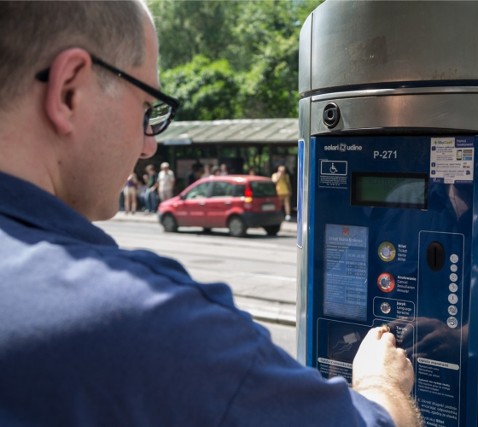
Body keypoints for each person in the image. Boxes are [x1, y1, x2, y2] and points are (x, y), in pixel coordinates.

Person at [0, 2, 421, 426]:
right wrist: (381, 383)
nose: (149, 145)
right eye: (149, 108)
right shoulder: (143, 319)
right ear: (69, 90)